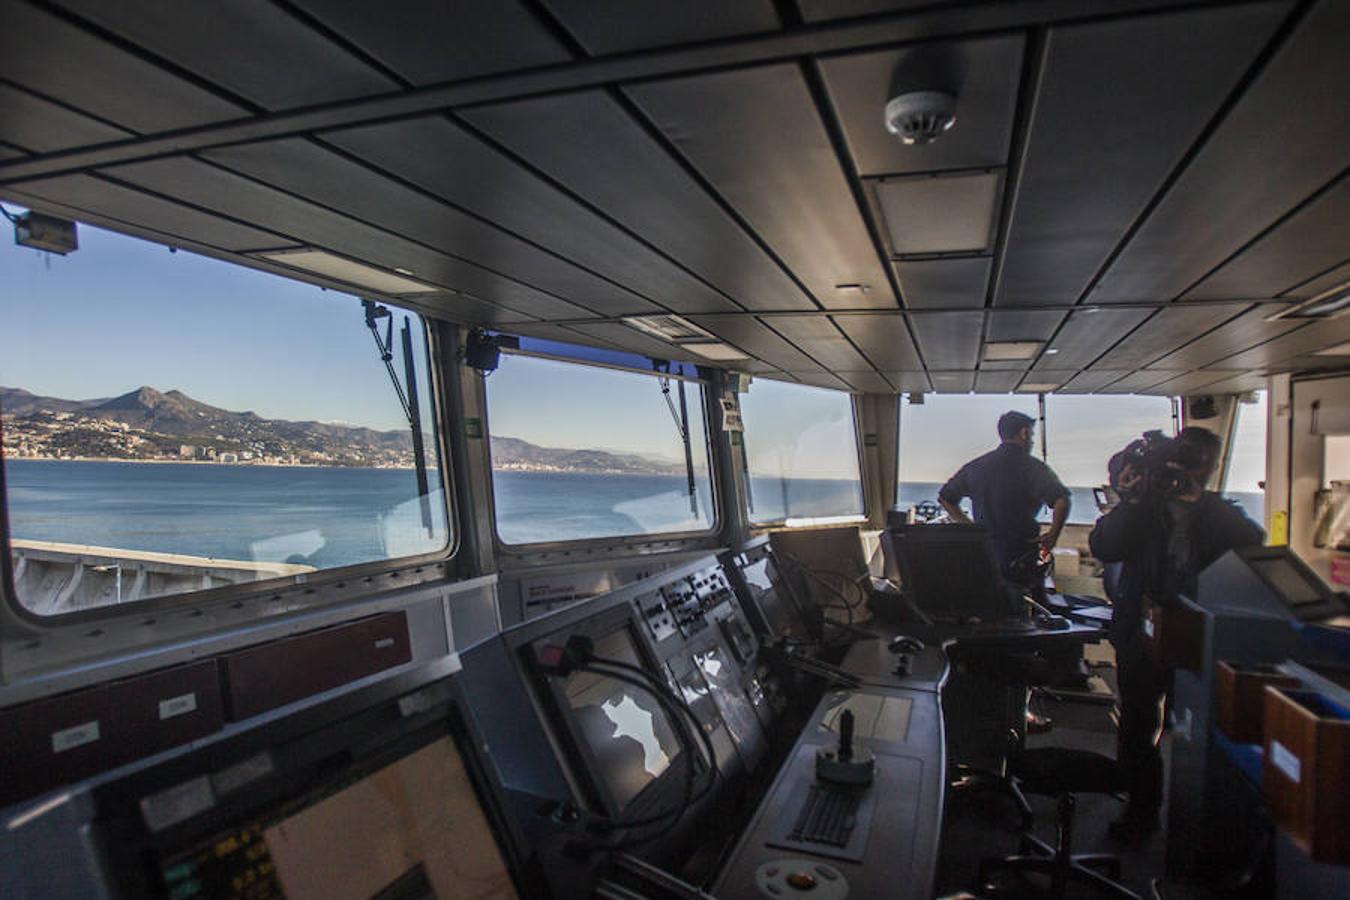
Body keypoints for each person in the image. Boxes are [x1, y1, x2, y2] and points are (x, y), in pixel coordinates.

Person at [1089, 426, 1263, 842]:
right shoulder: (1143, 509)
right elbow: (1105, 546)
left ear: (1211, 467)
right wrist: (1131, 501)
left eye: (1195, 462)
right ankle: (1141, 810)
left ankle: (1203, 828)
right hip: (1140, 631)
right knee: (1137, 725)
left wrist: (1196, 499)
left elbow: (1253, 545)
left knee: (1201, 731)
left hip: (1202, 635)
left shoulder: (1221, 516)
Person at [938, 410, 1072, 590]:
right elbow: (1062, 500)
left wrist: (971, 528)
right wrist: (1053, 535)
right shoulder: (1031, 467)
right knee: (1022, 606)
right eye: (1031, 436)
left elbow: (945, 498)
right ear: (1023, 433)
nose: (1031, 441)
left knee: (990, 605)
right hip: (1020, 552)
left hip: (984, 551)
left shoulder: (977, 466)